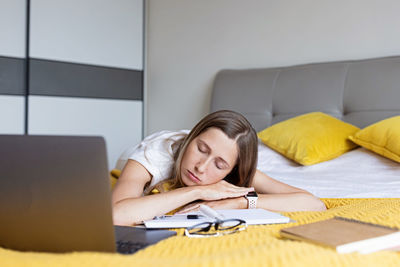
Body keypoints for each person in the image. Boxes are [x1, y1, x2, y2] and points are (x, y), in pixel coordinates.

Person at [112, 110, 326, 226]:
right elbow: (116, 215)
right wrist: (197, 190)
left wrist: (241, 203)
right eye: (201, 149)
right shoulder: (154, 154)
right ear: (191, 138)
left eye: (219, 164)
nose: (201, 167)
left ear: (231, 170)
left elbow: (314, 204)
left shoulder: (234, 171)